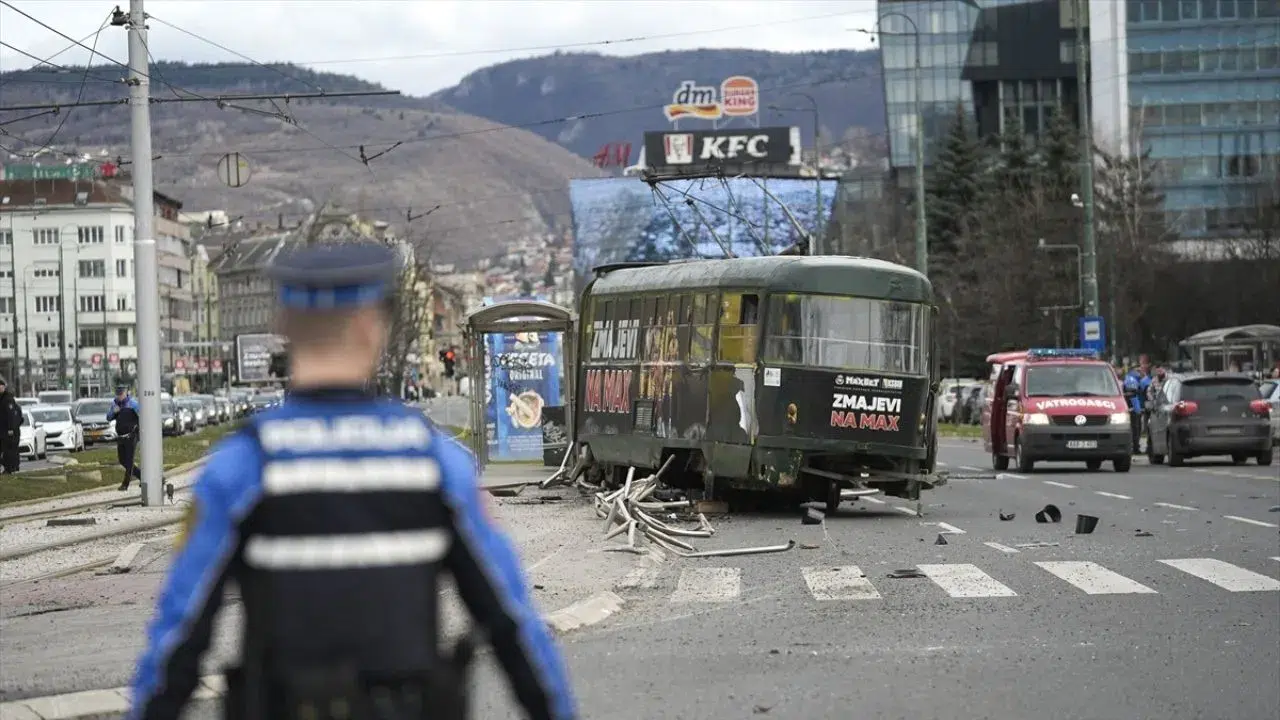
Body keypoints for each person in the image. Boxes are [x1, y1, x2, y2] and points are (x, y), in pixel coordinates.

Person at [127, 241, 577, 720]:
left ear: (284, 326)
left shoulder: (243, 465)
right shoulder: (433, 462)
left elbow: (179, 637)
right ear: (374, 326)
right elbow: (512, 623)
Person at [108, 386, 143, 491]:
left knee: (129, 460)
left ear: (126, 393)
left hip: (131, 435)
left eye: (121, 394)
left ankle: (125, 484)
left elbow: (143, 415)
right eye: (118, 394)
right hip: (121, 437)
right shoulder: (115, 404)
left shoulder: (133, 404)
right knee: (122, 460)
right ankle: (142, 476)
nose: (119, 396)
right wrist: (114, 412)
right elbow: (108, 417)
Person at [1123, 360, 1151, 454]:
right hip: (1134, 409)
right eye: (1138, 370)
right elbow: (1132, 396)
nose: (1139, 372)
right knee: (1135, 429)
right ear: (1133, 370)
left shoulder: (1132, 379)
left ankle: (1135, 447)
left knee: (1136, 429)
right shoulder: (1131, 380)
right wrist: (1136, 409)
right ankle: (1135, 448)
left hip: (1133, 408)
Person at [0, 377, 21, 473]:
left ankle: (11, 468)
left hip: (8, 431)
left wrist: (10, 429)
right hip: (2, 430)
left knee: (9, 450)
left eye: (1, 387)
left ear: (4, 387)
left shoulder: (8, 399)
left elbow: (10, 415)